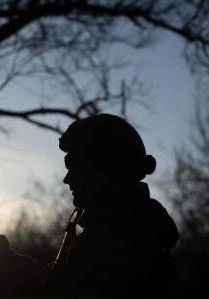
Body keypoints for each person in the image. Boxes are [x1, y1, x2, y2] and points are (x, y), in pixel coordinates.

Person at [50, 114, 179, 297]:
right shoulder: (132, 230)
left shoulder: (118, 245)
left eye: (76, 167)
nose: (67, 179)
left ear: (105, 170)